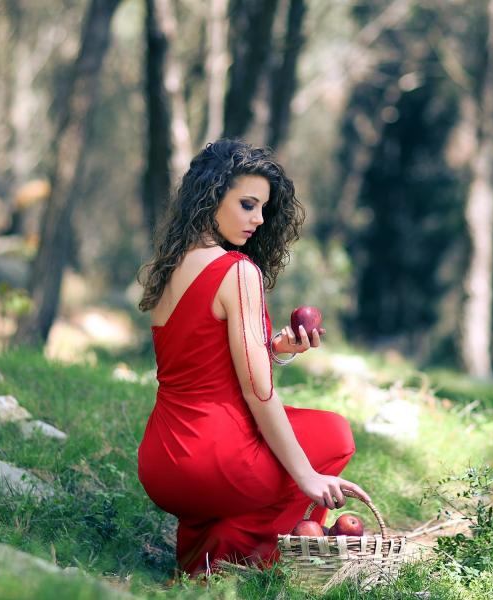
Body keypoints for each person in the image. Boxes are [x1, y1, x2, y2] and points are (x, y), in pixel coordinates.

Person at [135, 138, 370, 575]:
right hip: (210, 459)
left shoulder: (170, 266)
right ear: (211, 196)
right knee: (335, 434)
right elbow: (259, 393)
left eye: (263, 208)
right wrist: (307, 476)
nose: (259, 220)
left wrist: (274, 350)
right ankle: (254, 556)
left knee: (300, 437)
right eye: (247, 205)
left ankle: (211, 552)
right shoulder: (237, 270)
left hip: (160, 463)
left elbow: (198, 358)